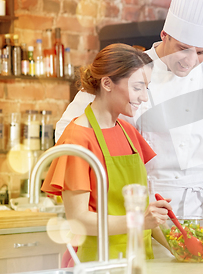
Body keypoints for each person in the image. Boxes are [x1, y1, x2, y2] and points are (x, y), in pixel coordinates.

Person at [55, 0, 203, 251]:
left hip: (200, 219)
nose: (189, 61)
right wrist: (106, 200)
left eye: (201, 52)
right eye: (183, 48)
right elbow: (69, 133)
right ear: (165, 34)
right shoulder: (126, 71)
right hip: (137, 217)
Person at [41, 44, 172, 263]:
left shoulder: (128, 133)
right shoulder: (77, 139)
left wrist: (184, 248)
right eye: (137, 87)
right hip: (95, 262)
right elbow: (79, 220)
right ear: (107, 83)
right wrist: (138, 220)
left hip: (136, 261)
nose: (144, 98)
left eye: (146, 88)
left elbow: (145, 216)